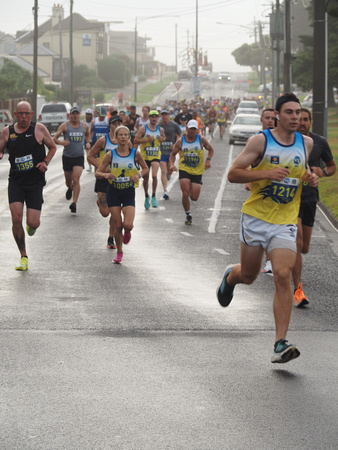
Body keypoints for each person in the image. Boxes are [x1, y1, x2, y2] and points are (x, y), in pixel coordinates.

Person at [216, 93, 319, 364]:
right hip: (256, 218)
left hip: (285, 220)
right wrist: (265, 173)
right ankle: (230, 277)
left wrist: (310, 177)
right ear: (277, 115)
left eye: (298, 113)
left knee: (283, 275)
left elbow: (302, 170)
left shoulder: (305, 143)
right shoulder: (260, 141)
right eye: (290, 113)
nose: (296, 117)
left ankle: (279, 343)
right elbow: (233, 174)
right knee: (248, 275)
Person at [0, 101, 56, 270]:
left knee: (33, 223)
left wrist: (45, 161)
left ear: (31, 114)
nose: (23, 117)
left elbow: (52, 147)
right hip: (16, 182)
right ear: (15, 114)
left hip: (34, 183)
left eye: (27, 114)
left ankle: (31, 227)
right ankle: (23, 256)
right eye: (20, 114)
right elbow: (0, 148)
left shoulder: (39, 130)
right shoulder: (7, 132)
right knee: (16, 218)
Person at [292, 107, 336, 307]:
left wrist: (324, 173)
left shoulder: (319, 142)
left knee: (305, 248)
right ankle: (297, 290)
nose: (301, 123)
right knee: (298, 242)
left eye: (305, 120)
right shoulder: (288, 141)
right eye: (299, 119)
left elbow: (332, 166)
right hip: (291, 199)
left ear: (310, 122)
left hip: (310, 198)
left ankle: (288, 266)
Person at [95, 125, 148, 264]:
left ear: (128, 138)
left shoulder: (135, 153)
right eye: (120, 135)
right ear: (116, 137)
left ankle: (128, 231)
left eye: (126, 135)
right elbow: (98, 172)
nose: (123, 137)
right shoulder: (110, 155)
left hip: (128, 192)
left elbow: (145, 168)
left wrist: (139, 175)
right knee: (118, 225)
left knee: (127, 225)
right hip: (113, 192)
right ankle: (119, 252)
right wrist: (106, 175)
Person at [87, 115, 124, 249]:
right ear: (110, 126)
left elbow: (132, 156)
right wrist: (100, 166)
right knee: (105, 213)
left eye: (119, 123)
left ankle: (111, 238)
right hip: (103, 179)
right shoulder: (103, 140)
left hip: (118, 180)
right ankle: (100, 203)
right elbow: (90, 155)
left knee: (115, 212)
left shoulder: (125, 141)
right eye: (114, 123)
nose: (117, 125)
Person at [169, 119, 214, 225]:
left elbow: (211, 150)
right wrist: (171, 164)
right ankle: (188, 214)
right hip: (184, 169)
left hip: (197, 171)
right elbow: (172, 154)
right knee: (185, 193)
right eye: (191, 129)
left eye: (195, 129)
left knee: (194, 197)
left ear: (197, 130)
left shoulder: (201, 140)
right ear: (187, 129)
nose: (192, 131)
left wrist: (208, 161)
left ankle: (189, 189)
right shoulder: (180, 141)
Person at [54, 106, 91, 213]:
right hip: (67, 157)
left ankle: (74, 203)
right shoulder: (65, 125)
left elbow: (87, 134)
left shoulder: (84, 126)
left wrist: (88, 142)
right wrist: (62, 143)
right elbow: (55, 138)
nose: (75, 116)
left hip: (79, 156)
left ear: (79, 115)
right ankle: (69, 188)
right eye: (73, 114)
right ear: (70, 115)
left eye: (77, 114)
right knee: (68, 181)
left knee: (76, 180)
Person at [134, 109, 166, 209]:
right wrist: (147, 140)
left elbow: (163, 138)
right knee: (146, 179)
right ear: (149, 118)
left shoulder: (160, 129)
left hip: (156, 156)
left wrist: (162, 139)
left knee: (155, 175)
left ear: (158, 118)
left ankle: (153, 196)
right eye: (152, 117)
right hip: (145, 157)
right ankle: (146, 196)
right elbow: (135, 139)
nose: (154, 118)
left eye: (156, 117)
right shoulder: (143, 128)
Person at [159, 109, 182, 200]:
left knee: (169, 171)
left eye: (166, 114)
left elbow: (180, 135)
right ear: (161, 116)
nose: (164, 116)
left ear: (169, 115)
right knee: (163, 171)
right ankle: (165, 191)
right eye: (163, 115)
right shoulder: (158, 126)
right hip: (161, 152)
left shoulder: (174, 125)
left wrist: (176, 144)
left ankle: (168, 175)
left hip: (171, 153)